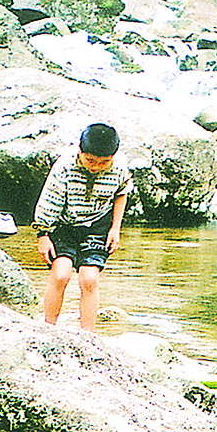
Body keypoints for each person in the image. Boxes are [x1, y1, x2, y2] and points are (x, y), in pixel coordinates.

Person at [35, 123, 132, 330]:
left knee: (89, 279)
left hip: (98, 225)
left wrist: (115, 229)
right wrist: (43, 235)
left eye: (104, 162)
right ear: (80, 151)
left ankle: (87, 335)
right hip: (64, 224)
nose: (96, 166)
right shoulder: (64, 166)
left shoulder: (119, 166)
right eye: (90, 160)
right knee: (61, 274)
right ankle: (47, 328)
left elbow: (122, 193)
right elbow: (49, 201)